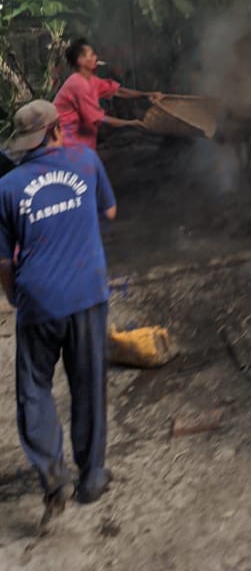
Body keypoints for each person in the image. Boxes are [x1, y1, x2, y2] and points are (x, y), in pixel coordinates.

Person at [0, 100, 117, 527]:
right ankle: (92, 477)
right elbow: (110, 211)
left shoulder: (7, 186)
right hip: (87, 292)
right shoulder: (85, 160)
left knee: (34, 389)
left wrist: (15, 297)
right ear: (56, 131)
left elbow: (3, 262)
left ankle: (53, 474)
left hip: (39, 300)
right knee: (88, 383)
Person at [54, 36, 162, 150]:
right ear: (81, 60)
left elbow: (118, 91)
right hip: (66, 143)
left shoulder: (91, 80)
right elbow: (99, 118)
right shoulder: (78, 84)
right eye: (92, 55)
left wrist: (147, 94)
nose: (96, 57)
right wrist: (131, 123)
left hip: (81, 145)